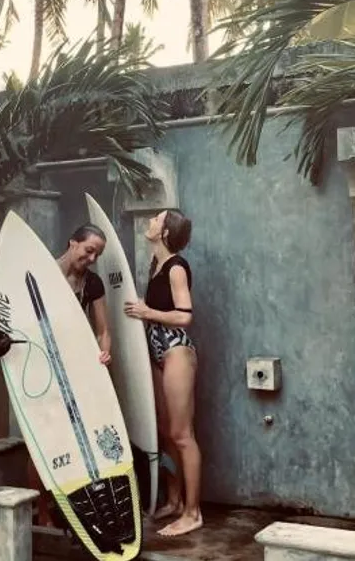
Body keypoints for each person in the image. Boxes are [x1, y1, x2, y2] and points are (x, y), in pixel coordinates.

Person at [124, 208, 202, 537]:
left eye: (157, 219)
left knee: (182, 435)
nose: (151, 221)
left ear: (166, 232)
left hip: (175, 351)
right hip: (158, 352)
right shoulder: (156, 265)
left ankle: (193, 513)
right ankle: (174, 500)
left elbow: (185, 316)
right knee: (166, 433)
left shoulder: (176, 267)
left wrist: (147, 311)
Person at [29, 223, 113, 527]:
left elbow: (103, 331)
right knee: (43, 439)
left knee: (76, 439)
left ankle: (72, 506)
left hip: (78, 369)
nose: (92, 259)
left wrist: (104, 353)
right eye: (89, 251)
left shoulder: (93, 283)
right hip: (44, 368)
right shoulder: (42, 274)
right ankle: (44, 511)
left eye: (97, 255)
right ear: (72, 243)